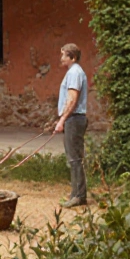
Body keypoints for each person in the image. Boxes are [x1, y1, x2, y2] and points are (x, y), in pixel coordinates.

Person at [55, 43, 88, 208]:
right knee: (73, 157)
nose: (61, 58)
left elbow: (72, 99)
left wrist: (62, 120)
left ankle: (78, 196)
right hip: (72, 118)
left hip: (74, 119)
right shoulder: (73, 72)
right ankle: (76, 193)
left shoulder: (74, 72)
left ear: (72, 57)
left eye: (63, 55)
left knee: (74, 158)